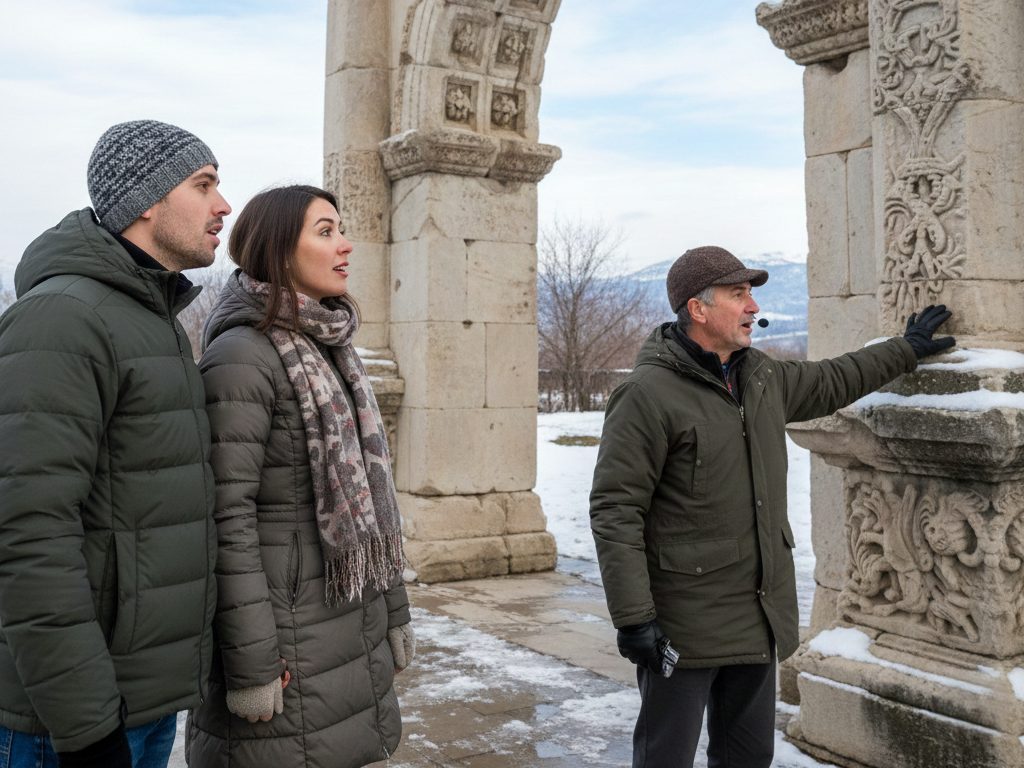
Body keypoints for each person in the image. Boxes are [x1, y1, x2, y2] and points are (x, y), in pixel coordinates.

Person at [589, 245, 954, 768]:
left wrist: (907, 349)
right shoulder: (647, 394)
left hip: (758, 614)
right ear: (698, 309)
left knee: (749, 757)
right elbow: (615, 509)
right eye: (738, 295)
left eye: (751, 294)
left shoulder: (761, 377)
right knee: (665, 757)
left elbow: (835, 379)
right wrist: (633, 620)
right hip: (684, 624)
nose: (753, 307)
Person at [0, 120, 230, 768]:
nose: (223, 206)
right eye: (204, 184)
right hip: (65, 724)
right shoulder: (62, 319)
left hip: (138, 705)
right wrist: (86, 725)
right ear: (145, 201)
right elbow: (28, 535)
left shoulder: (147, 318)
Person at [185, 185, 414, 768]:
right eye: (326, 231)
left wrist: (394, 611)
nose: (346, 245)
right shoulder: (243, 355)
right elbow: (223, 518)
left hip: (344, 630)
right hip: (286, 645)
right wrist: (252, 663)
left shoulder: (332, 347)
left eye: (341, 229)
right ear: (279, 249)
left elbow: (369, 501)